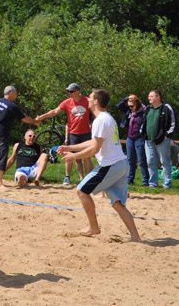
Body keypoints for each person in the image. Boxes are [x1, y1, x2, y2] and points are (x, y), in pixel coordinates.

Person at [58, 88, 142, 242]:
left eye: (90, 97)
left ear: (96, 101)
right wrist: (70, 147)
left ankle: (93, 227)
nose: (87, 99)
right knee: (117, 204)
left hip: (111, 165)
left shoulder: (100, 120)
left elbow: (94, 149)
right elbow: (93, 142)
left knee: (81, 191)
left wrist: (73, 156)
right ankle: (136, 237)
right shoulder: (106, 118)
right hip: (121, 164)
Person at [0, 86, 40, 189]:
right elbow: (24, 119)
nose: (16, 95)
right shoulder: (12, 106)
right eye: (15, 93)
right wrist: (35, 121)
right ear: (11, 93)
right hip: (1, 133)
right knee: (2, 156)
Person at [37, 83, 93, 185]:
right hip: (73, 133)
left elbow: (96, 111)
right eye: (68, 91)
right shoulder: (67, 102)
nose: (69, 93)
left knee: (87, 156)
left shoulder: (87, 100)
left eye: (71, 91)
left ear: (78, 91)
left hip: (86, 133)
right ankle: (70, 177)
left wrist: (95, 125)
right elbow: (55, 111)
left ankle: (88, 178)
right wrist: (43, 116)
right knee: (71, 155)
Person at [139, 89, 176, 189]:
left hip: (162, 140)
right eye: (148, 96)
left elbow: (173, 123)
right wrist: (143, 133)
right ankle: (153, 184)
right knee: (150, 162)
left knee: (165, 162)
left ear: (157, 97)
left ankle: (167, 184)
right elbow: (143, 122)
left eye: (151, 96)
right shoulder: (148, 108)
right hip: (148, 140)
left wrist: (167, 135)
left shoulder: (166, 108)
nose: (149, 98)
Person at [116, 94, 148, 186]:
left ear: (137, 104)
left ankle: (145, 180)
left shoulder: (144, 112)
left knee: (142, 160)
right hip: (130, 138)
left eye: (132, 106)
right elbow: (119, 106)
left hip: (139, 138)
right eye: (129, 106)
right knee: (130, 160)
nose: (130, 108)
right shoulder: (129, 111)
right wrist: (127, 98)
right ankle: (130, 179)